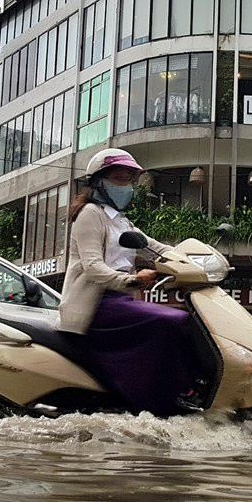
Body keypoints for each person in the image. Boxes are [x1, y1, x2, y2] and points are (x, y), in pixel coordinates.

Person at [57, 148, 202, 416]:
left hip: (120, 301)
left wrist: (194, 260)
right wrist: (132, 280)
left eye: (129, 180)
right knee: (174, 321)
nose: (127, 186)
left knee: (189, 320)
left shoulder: (121, 221)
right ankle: (174, 394)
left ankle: (174, 390)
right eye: (120, 179)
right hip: (96, 305)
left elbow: (154, 248)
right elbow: (92, 267)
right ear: (99, 181)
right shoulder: (90, 214)